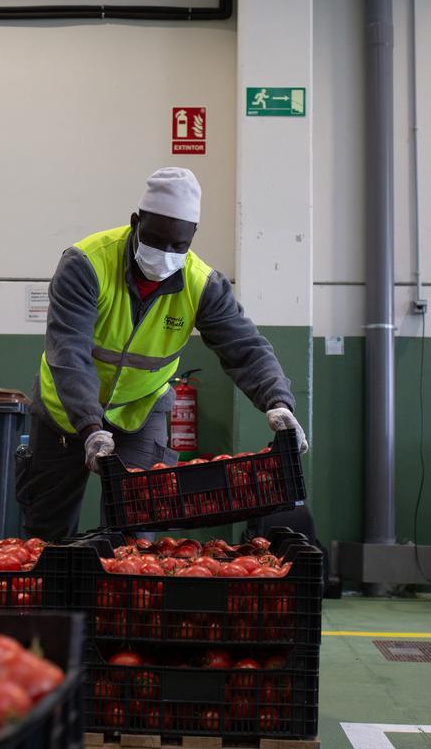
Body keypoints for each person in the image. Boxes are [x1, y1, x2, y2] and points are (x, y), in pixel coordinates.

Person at [16, 167, 308, 540]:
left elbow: (246, 347)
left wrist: (278, 403)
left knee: (138, 531)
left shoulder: (203, 285)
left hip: (140, 412)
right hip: (65, 416)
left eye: (178, 245)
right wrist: (91, 427)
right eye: (156, 239)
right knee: (46, 531)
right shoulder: (86, 264)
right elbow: (69, 354)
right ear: (136, 221)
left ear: (193, 237)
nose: (166, 254)